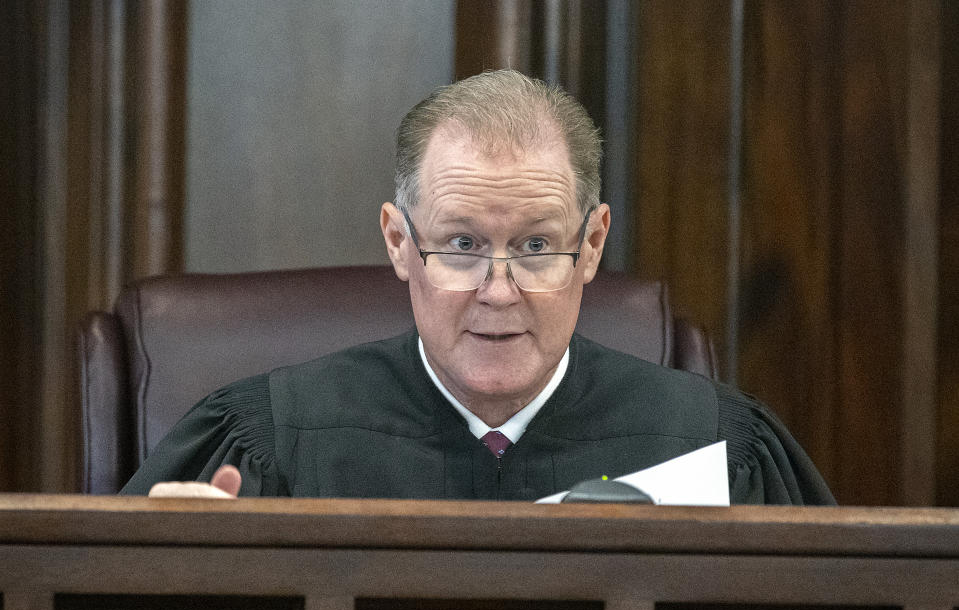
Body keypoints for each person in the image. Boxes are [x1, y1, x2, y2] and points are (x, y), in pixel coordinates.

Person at [122, 70, 835, 505]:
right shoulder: (263, 443)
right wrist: (173, 571)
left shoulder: (716, 450)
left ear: (590, 245)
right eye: (461, 246)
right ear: (399, 242)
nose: (498, 290)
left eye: (534, 246)